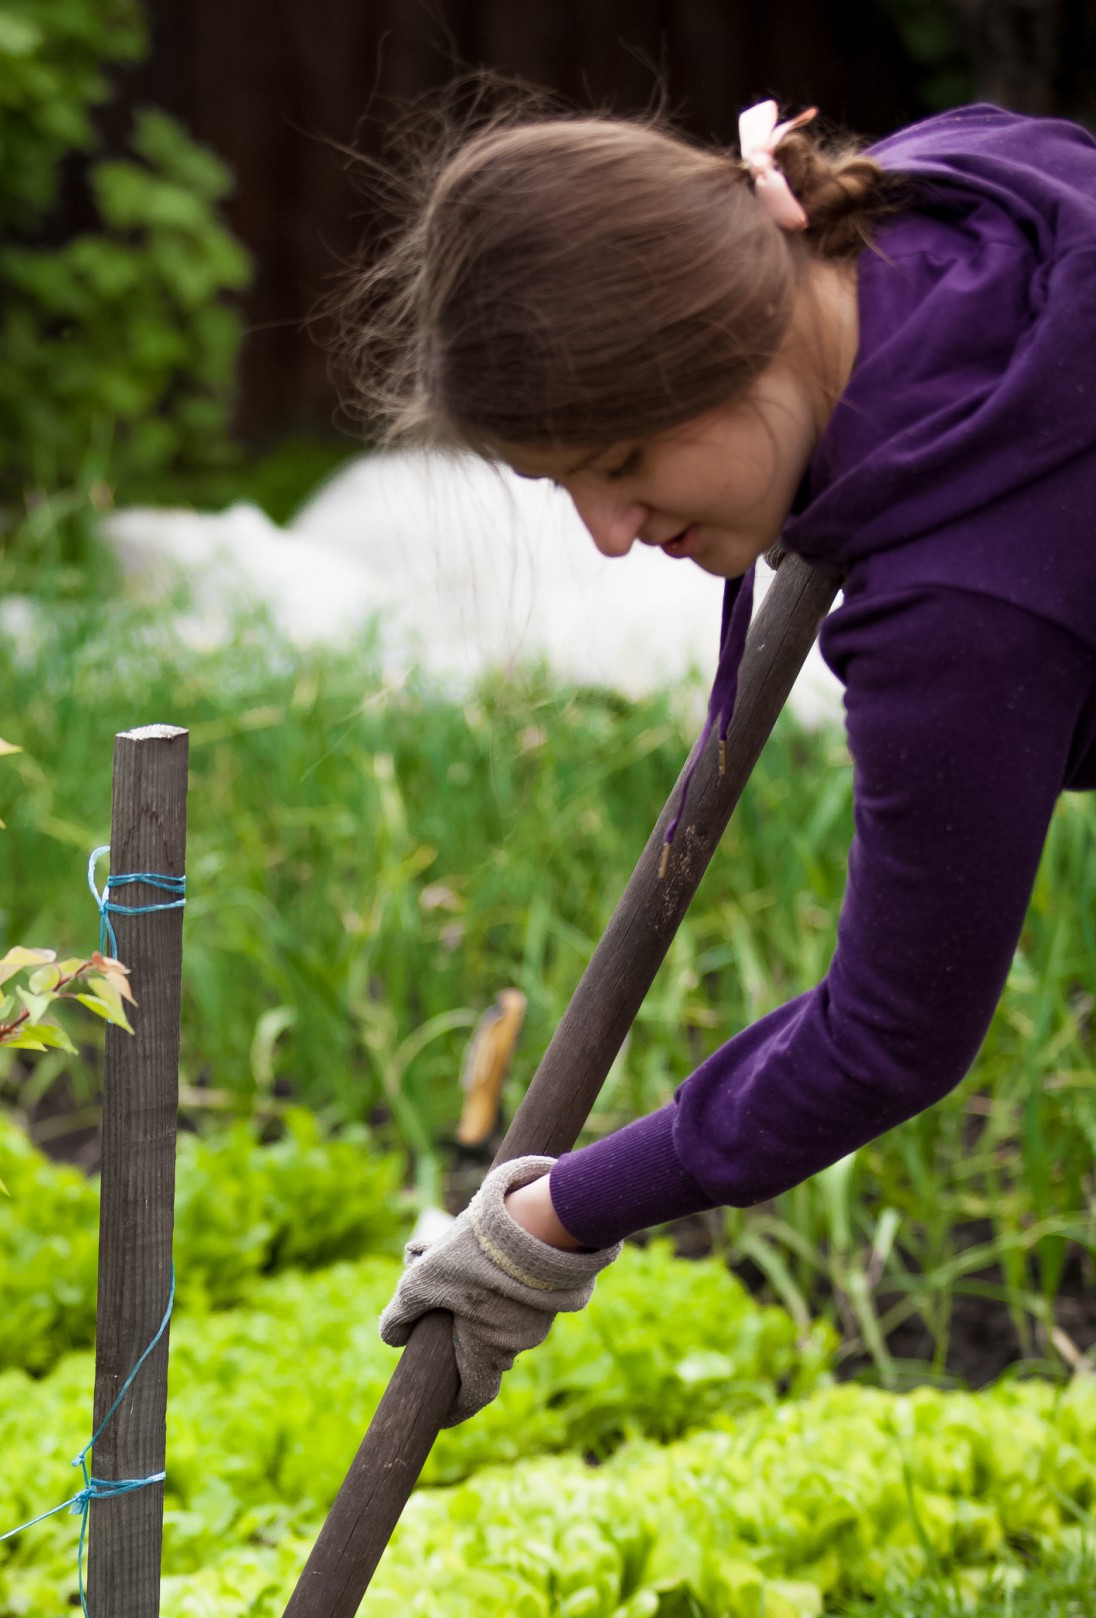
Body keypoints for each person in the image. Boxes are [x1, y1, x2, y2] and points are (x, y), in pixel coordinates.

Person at [374, 95, 1096, 1411]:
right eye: (563, 486)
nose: (605, 531)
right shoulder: (961, 181)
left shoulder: (956, 602)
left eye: (628, 459)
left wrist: (557, 1220)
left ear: (737, 325)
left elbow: (891, 1036)